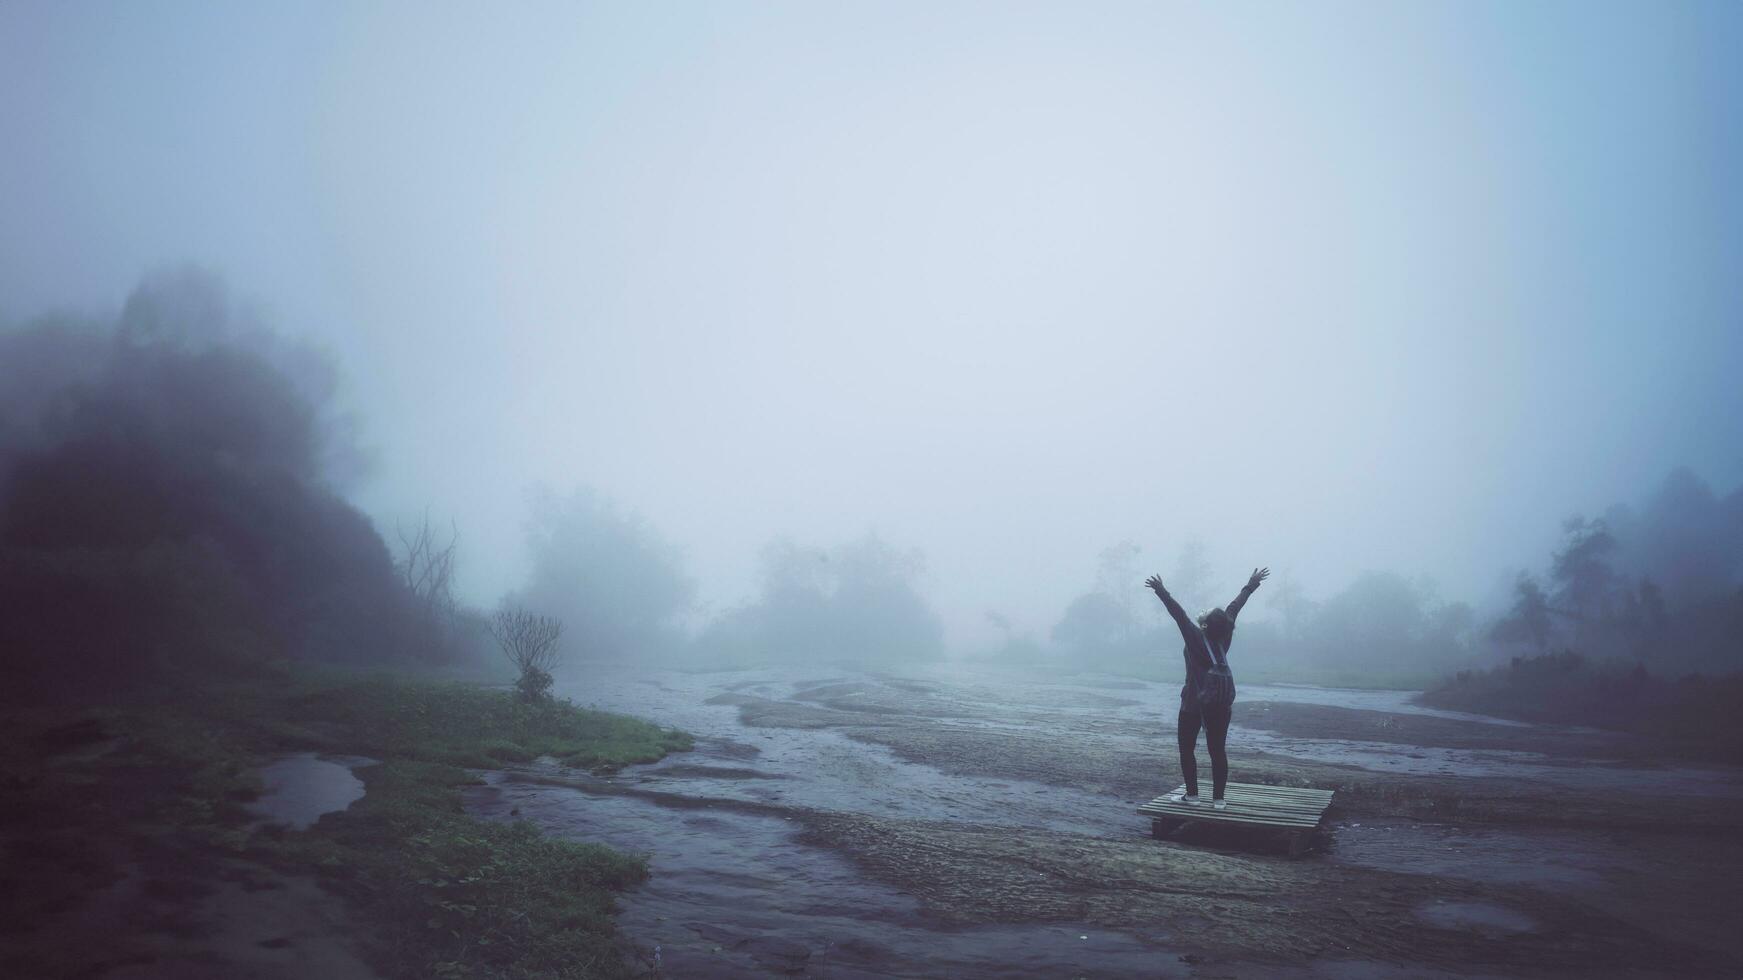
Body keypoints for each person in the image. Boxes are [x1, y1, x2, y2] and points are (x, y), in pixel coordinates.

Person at [1144, 567, 1268, 809]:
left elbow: (1178, 614)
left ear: (1205, 625)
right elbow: (1236, 606)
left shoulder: (1194, 637)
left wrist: (1161, 591)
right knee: (1217, 751)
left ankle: (1192, 796)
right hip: (1220, 705)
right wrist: (1251, 584)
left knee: (1187, 749)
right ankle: (1219, 800)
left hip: (1192, 703)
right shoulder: (1224, 636)